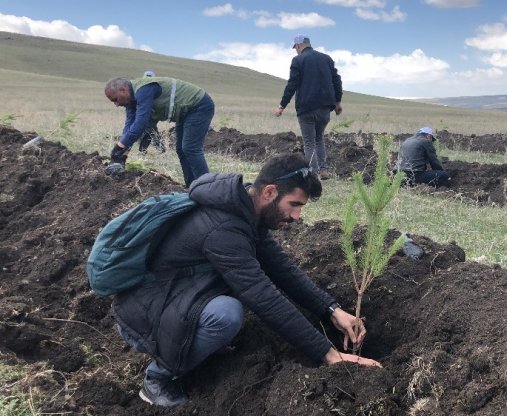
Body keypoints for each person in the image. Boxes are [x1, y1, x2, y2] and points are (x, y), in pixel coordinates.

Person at [112, 153, 381, 407]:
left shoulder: (246, 214)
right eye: (295, 205)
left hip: (174, 296)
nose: (297, 216)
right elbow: (263, 296)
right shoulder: (224, 227)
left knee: (236, 299)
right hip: (144, 315)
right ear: (269, 192)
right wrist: (330, 355)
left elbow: (283, 270)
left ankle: (195, 344)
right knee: (228, 314)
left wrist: (332, 310)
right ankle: (158, 378)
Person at [104, 76, 214, 186]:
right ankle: (192, 187)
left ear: (123, 90)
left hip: (199, 105)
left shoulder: (144, 90)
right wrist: (123, 153)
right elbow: (129, 126)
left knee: (190, 148)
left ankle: (206, 188)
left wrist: (119, 147)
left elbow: (141, 123)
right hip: (185, 113)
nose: (116, 105)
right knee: (181, 149)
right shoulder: (131, 100)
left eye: (115, 99)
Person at [273, 34, 343, 180]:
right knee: (319, 139)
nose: (296, 51)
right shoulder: (327, 59)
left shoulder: (298, 60)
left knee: (309, 141)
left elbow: (292, 84)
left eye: (295, 48)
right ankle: (323, 170)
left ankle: (313, 172)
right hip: (325, 108)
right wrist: (337, 102)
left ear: (298, 46)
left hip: (306, 108)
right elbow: (337, 80)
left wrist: (282, 106)